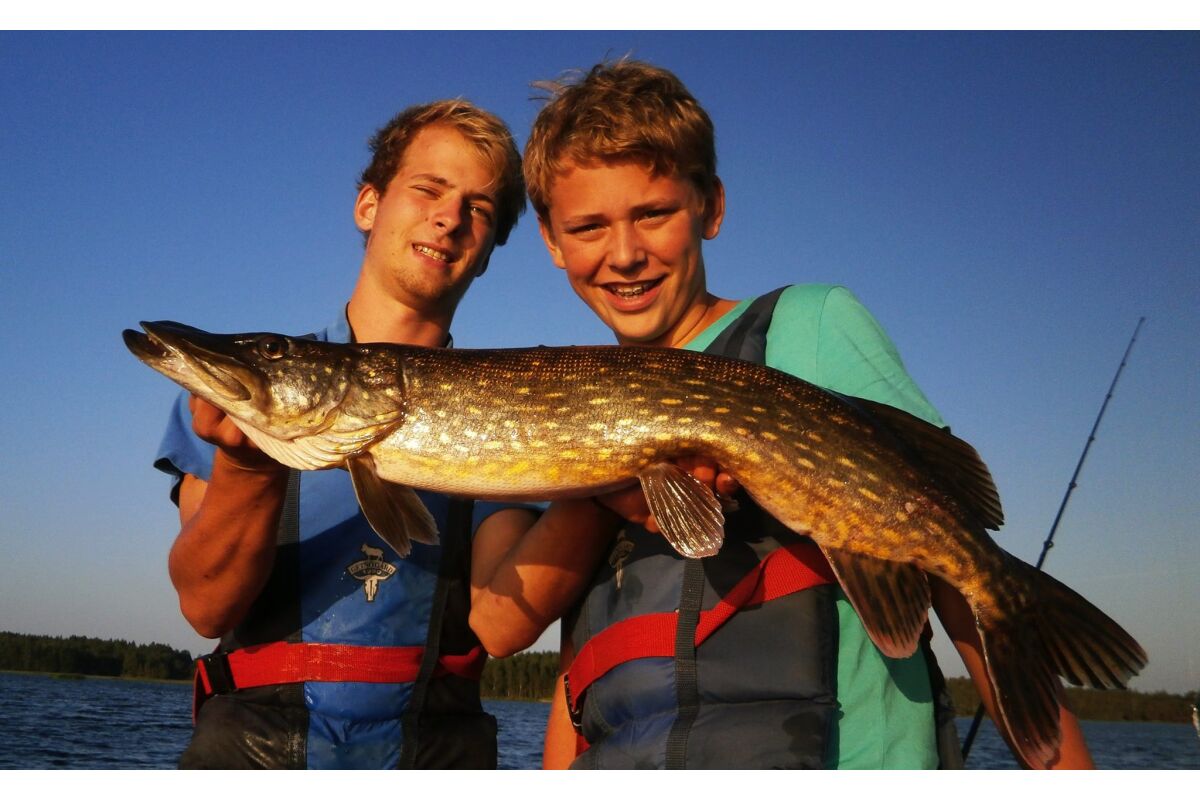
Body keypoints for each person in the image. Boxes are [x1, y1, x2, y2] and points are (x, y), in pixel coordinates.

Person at [505, 59, 1096, 769]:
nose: (625, 254)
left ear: (710, 207)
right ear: (552, 240)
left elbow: (948, 551)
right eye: (589, 226)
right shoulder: (577, 420)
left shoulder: (809, 326)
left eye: (653, 214)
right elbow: (584, 659)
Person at [155, 99, 557, 769]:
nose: (450, 217)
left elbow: (503, 624)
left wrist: (616, 486)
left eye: (479, 208)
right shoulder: (238, 399)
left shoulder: (517, 415)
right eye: (428, 188)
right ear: (368, 204)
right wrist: (249, 467)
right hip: (254, 754)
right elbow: (206, 607)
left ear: (488, 252)